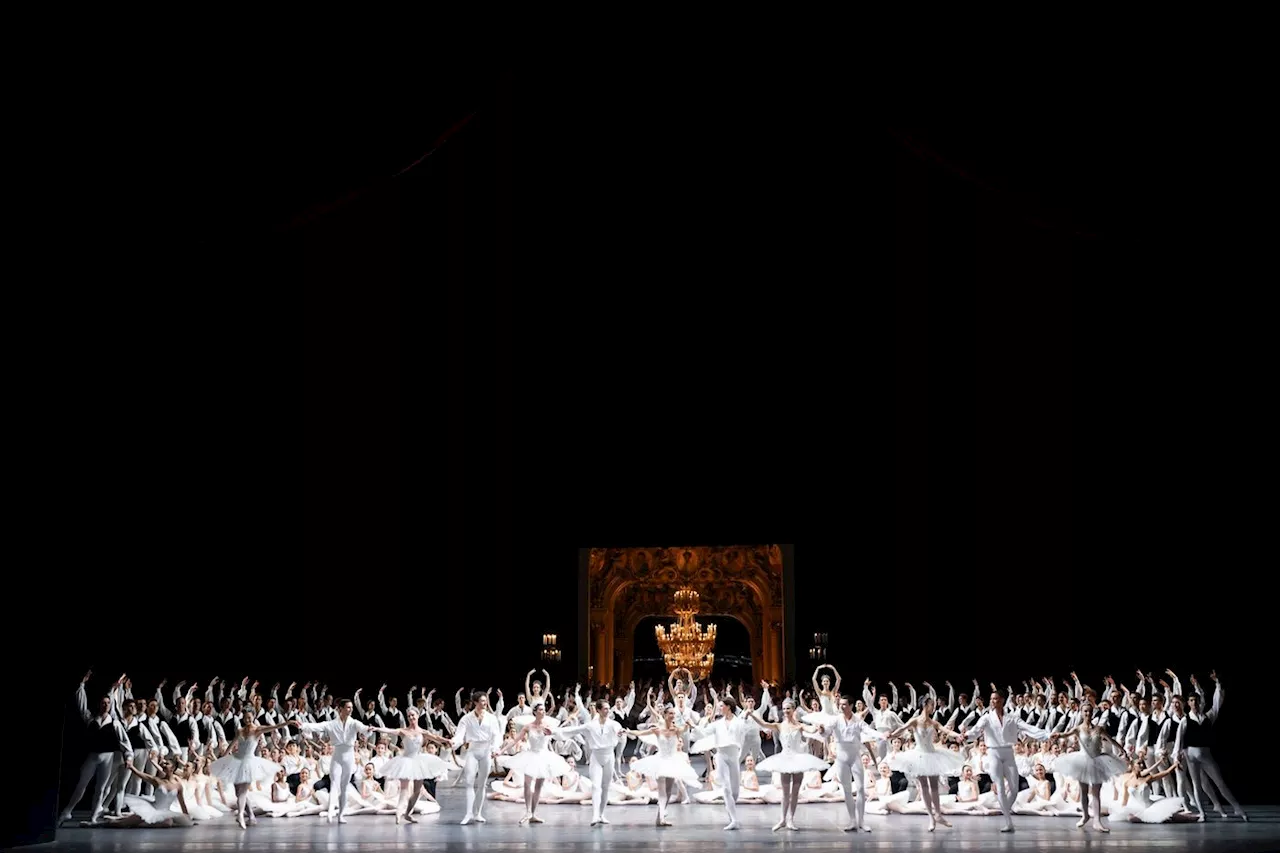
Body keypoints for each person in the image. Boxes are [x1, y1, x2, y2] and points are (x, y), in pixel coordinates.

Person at [960, 690, 1051, 833]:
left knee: (1014, 789)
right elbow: (976, 731)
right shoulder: (986, 718)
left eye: (996, 699)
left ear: (1002, 700)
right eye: (991, 699)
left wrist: (1047, 735)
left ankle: (1005, 810)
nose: (993, 701)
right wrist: (966, 736)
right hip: (993, 752)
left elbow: (1029, 728)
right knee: (1000, 787)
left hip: (1008, 753)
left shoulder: (1013, 718)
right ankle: (1008, 821)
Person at [292, 698, 372, 823]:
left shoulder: (354, 722)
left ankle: (340, 814)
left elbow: (363, 728)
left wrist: (368, 729)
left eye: (351, 707)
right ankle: (330, 812)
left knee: (344, 787)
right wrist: (303, 725)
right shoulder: (332, 724)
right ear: (340, 709)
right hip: (337, 756)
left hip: (349, 757)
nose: (350, 710)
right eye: (348, 707)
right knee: (334, 784)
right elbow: (317, 726)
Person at [819, 694, 884, 832]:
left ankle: (861, 821)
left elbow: (869, 730)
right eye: (840, 704)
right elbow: (826, 732)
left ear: (851, 706)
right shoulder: (836, 720)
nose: (841, 706)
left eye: (844, 704)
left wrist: (882, 735)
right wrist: (822, 730)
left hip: (855, 757)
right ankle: (852, 821)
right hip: (841, 758)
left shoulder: (857, 720)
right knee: (847, 791)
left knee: (860, 789)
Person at [556, 699, 626, 826]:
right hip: (596, 757)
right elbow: (573, 730)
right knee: (595, 786)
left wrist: (620, 733)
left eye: (608, 708)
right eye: (605, 708)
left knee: (605, 787)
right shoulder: (590, 725)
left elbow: (617, 730)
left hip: (609, 755)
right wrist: (555, 732)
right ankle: (595, 815)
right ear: (598, 710)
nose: (608, 710)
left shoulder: (614, 724)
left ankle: (602, 814)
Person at [691, 696, 747, 830]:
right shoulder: (717, 724)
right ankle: (734, 819)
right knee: (726, 788)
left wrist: (740, 755)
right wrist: (693, 726)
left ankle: (731, 811)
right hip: (721, 755)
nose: (720, 708)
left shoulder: (739, 722)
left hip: (734, 756)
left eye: (722, 706)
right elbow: (704, 733)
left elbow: (742, 739)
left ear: (728, 707)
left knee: (735, 792)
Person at [449, 690, 504, 824]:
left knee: (482, 784)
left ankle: (477, 813)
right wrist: (454, 742)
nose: (485, 703)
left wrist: (496, 748)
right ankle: (468, 813)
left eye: (486, 701)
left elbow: (497, 735)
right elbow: (459, 735)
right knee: (469, 783)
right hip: (472, 751)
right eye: (482, 701)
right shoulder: (466, 718)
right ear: (475, 703)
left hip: (486, 751)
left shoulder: (491, 718)